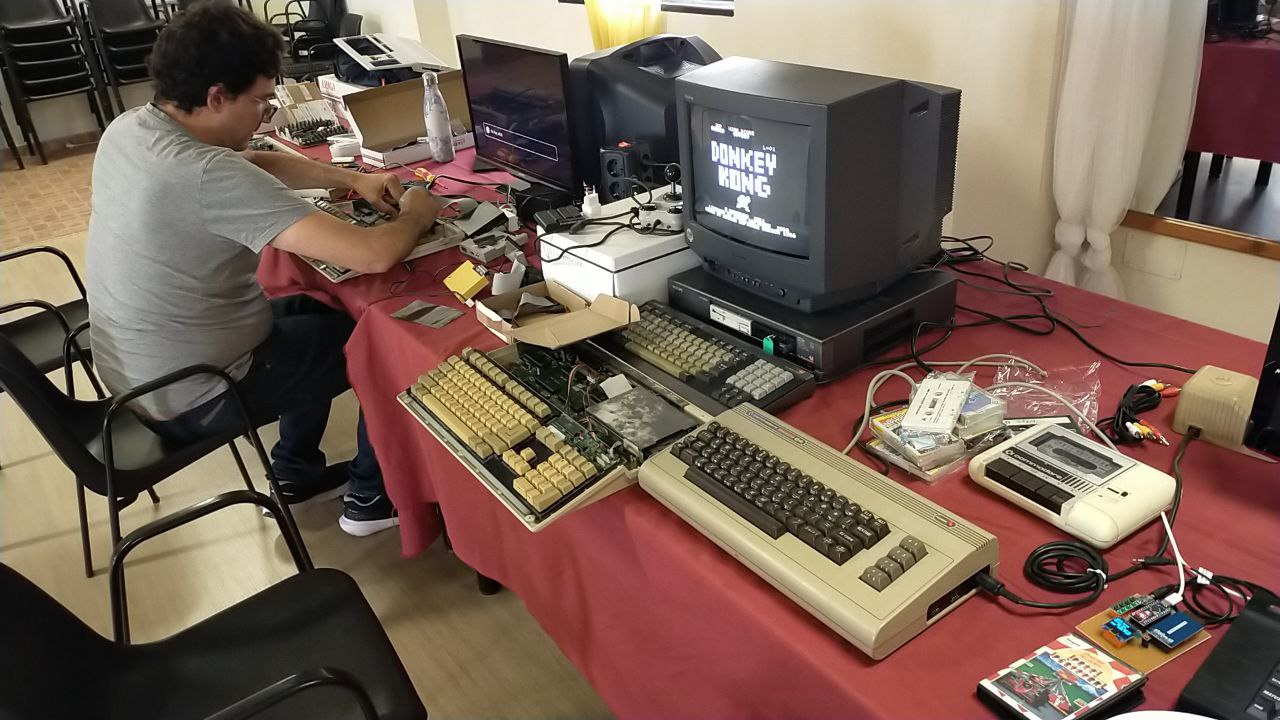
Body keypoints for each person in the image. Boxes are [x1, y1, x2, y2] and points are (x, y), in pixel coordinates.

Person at [85, 3, 442, 536]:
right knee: (387, 346)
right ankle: (372, 499)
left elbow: (249, 162)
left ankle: (295, 471)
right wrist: (416, 212)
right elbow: (372, 255)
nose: (266, 114)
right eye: (260, 101)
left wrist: (352, 181)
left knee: (328, 312)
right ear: (216, 97)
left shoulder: (132, 128)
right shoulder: (204, 174)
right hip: (195, 393)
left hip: (140, 374)